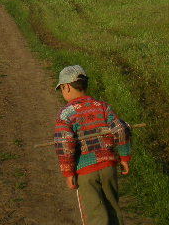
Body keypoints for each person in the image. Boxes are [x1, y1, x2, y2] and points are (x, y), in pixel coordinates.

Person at [54, 65, 131, 225]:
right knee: (113, 210)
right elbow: (120, 129)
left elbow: (65, 144)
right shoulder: (102, 106)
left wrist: (68, 173)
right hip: (109, 166)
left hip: (85, 171)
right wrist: (124, 157)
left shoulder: (65, 114)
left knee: (96, 216)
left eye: (61, 88)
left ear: (66, 87)